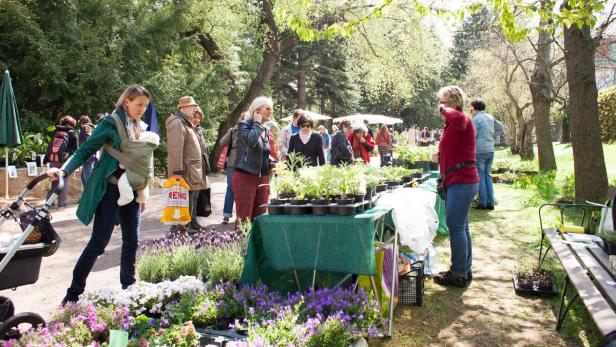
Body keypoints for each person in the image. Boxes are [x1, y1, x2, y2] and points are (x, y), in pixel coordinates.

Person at [46, 85, 152, 304]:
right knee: (99, 243)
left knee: (132, 241)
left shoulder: (139, 126)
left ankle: (128, 288)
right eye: (139, 104)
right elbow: (84, 150)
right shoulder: (110, 124)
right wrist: (63, 170)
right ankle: (73, 294)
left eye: (145, 105)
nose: (142, 109)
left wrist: (142, 193)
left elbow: (141, 163)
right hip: (110, 190)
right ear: (127, 102)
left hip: (132, 191)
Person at [432, 86, 479, 288]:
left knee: (456, 227)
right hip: (458, 180)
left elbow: (458, 118)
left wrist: (443, 109)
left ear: (453, 102)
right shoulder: (451, 127)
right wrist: (440, 157)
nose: (440, 106)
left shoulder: (462, 119)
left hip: (463, 181)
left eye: (443, 102)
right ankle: (464, 269)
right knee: (462, 227)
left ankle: (458, 273)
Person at [166, 96, 208, 233]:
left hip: (189, 173)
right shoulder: (177, 123)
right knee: (181, 211)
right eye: (192, 106)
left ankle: (180, 237)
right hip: (184, 174)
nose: (195, 109)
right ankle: (178, 240)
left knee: (186, 210)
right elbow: (175, 150)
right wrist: (177, 175)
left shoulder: (185, 122)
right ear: (182, 108)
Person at [233, 96, 273, 222]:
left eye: (271, 109)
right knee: (244, 219)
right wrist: (257, 123)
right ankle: (241, 242)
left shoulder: (265, 129)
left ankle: (256, 242)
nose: (270, 111)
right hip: (245, 175)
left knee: (260, 218)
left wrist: (272, 162)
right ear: (257, 110)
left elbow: (263, 153)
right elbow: (250, 141)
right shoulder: (244, 125)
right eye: (267, 108)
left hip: (263, 178)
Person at [470, 99, 504, 210]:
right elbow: (501, 128)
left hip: (480, 150)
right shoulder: (490, 117)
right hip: (490, 149)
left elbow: (472, 136)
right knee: (487, 176)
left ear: (475, 108)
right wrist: (492, 136)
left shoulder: (476, 119)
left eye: (471, 108)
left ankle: (483, 203)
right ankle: (490, 202)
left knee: (480, 177)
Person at [219, 112, 248, 224]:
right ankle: (239, 216)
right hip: (243, 163)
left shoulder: (233, 129)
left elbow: (222, 142)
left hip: (233, 162)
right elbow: (222, 142)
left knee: (231, 188)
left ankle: (228, 215)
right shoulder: (246, 130)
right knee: (239, 189)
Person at [45, 115, 79, 208]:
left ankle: (49, 203)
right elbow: (76, 150)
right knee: (63, 181)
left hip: (53, 159)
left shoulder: (55, 132)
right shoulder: (72, 133)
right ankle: (62, 204)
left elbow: (49, 147)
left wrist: (46, 160)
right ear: (72, 124)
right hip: (65, 161)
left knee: (53, 180)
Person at [191, 106, 212, 219]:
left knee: (197, 196)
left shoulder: (199, 130)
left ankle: (194, 220)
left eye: (199, 118)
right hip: (193, 168)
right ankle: (190, 221)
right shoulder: (188, 130)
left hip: (201, 168)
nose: (197, 120)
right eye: (195, 117)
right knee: (192, 196)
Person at [78, 116, 97, 187]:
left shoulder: (86, 127)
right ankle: (86, 194)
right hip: (91, 153)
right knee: (83, 177)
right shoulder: (93, 127)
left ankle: (91, 195)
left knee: (88, 177)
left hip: (87, 154)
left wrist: (83, 148)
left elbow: (87, 139)